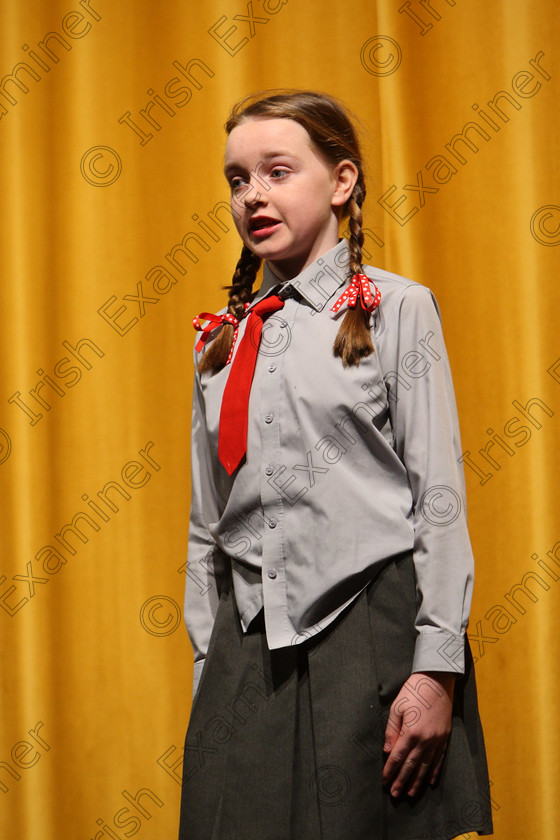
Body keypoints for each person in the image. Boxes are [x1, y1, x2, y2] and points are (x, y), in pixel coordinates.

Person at [178, 89, 493, 840]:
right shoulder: (217, 343)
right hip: (249, 645)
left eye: (277, 170)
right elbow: (205, 526)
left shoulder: (397, 309)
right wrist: (207, 666)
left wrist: (435, 667)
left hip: (373, 642)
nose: (252, 194)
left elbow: (437, 497)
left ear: (342, 181)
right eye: (236, 179)